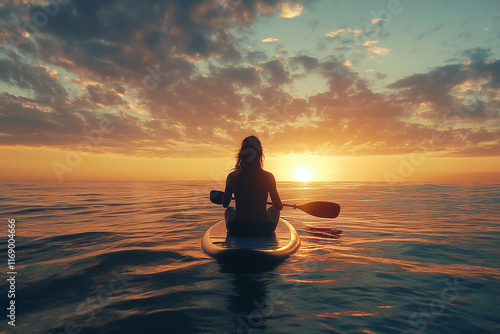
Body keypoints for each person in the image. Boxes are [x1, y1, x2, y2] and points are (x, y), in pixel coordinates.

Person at [222, 135, 283, 237]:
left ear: (241, 154)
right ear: (260, 154)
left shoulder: (232, 177)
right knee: (274, 210)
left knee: (229, 210)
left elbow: (225, 204)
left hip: (238, 228)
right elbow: (279, 206)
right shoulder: (269, 177)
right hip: (263, 229)